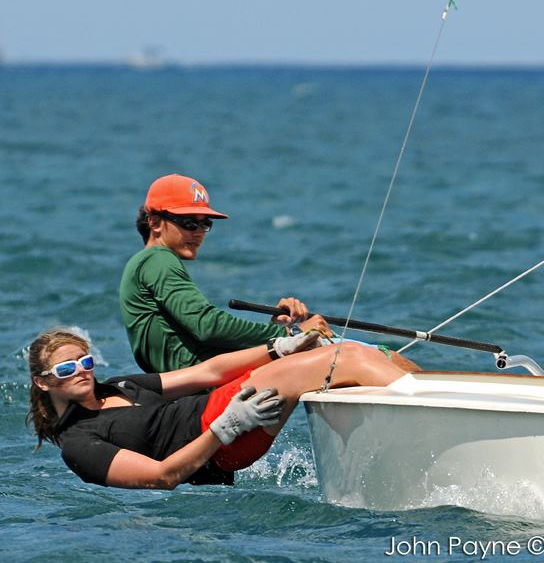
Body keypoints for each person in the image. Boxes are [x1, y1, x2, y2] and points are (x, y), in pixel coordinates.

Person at [27, 328, 405, 489]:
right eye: (65, 368)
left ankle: (428, 390)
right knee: (345, 356)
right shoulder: (79, 443)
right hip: (221, 434)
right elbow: (162, 477)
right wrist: (226, 428)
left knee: (367, 354)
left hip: (224, 407)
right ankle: (416, 398)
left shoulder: (120, 385)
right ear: (43, 382)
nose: (80, 371)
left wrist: (277, 348)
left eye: (85, 361)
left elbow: (207, 371)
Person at [119, 173, 419, 374]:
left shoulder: (148, 264)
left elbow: (197, 333)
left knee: (351, 352)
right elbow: (206, 326)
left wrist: (284, 331)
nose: (199, 233)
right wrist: (293, 336)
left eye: (205, 224)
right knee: (367, 354)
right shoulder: (157, 260)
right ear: (155, 222)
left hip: (204, 372)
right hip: (202, 379)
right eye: (189, 224)